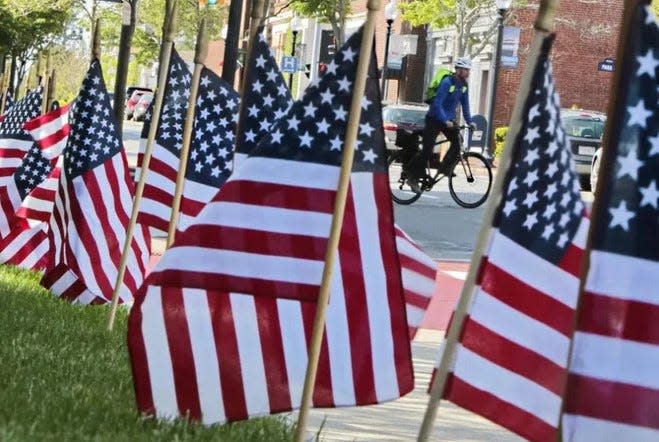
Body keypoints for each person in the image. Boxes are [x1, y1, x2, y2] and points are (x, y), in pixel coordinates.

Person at [405, 57, 476, 193]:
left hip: (447, 121)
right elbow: (437, 103)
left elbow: (465, 105)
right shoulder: (447, 82)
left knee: (458, 142)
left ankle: (445, 168)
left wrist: (470, 121)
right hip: (434, 119)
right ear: (458, 70)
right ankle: (412, 177)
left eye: (468, 70)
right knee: (428, 149)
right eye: (465, 70)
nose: (467, 72)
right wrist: (444, 121)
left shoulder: (464, 86)